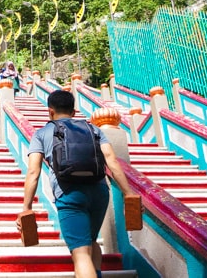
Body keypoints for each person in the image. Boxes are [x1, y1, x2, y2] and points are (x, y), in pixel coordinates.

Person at [18, 89, 134, 278]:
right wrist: (128, 193)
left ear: (50, 111)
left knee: (80, 254)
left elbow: (33, 172)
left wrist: (26, 207)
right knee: (92, 240)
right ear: (73, 111)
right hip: (99, 193)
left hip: (69, 195)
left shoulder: (42, 134)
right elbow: (111, 160)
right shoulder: (93, 129)